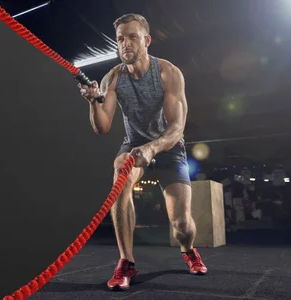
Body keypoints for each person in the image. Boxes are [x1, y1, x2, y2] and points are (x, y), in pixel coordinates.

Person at [78, 13, 208, 291]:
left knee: (182, 224)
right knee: (119, 176)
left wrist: (152, 148)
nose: (125, 44)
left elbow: (177, 127)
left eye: (132, 37)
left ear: (147, 40)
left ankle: (189, 251)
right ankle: (127, 261)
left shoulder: (168, 73)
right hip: (134, 145)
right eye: (120, 39)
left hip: (169, 147)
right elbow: (102, 127)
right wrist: (93, 103)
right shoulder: (112, 78)